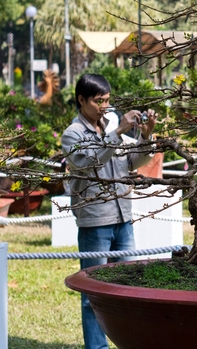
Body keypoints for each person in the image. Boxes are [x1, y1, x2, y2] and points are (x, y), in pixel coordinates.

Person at [62, 73, 157, 349]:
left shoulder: (110, 129)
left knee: (129, 289)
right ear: (82, 100)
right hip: (95, 222)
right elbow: (88, 161)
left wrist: (145, 136)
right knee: (93, 296)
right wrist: (117, 133)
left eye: (107, 100)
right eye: (98, 101)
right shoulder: (73, 134)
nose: (104, 106)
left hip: (124, 219)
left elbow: (132, 162)